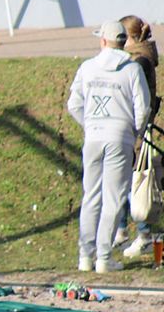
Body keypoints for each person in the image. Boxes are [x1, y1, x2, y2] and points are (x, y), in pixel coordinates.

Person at [68, 20, 151, 273]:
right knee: (113, 198)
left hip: (93, 137)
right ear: (123, 43)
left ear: (103, 41)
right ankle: (104, 257)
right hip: (120, 136)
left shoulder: (87, 67)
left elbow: (74, 104)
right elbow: (143, 108)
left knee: (91, 196)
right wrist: (134, 133)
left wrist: (90, 125)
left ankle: (85, 256)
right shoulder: (132, 70)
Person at [118, 15, 160, 259]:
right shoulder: (140, 57)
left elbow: (137, 100)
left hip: (137, 129)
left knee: (136, 183)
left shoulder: (139, 61)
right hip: (135, 127)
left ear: (130, 37)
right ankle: (122, 228)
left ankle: (144, 234)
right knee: (125, 179)